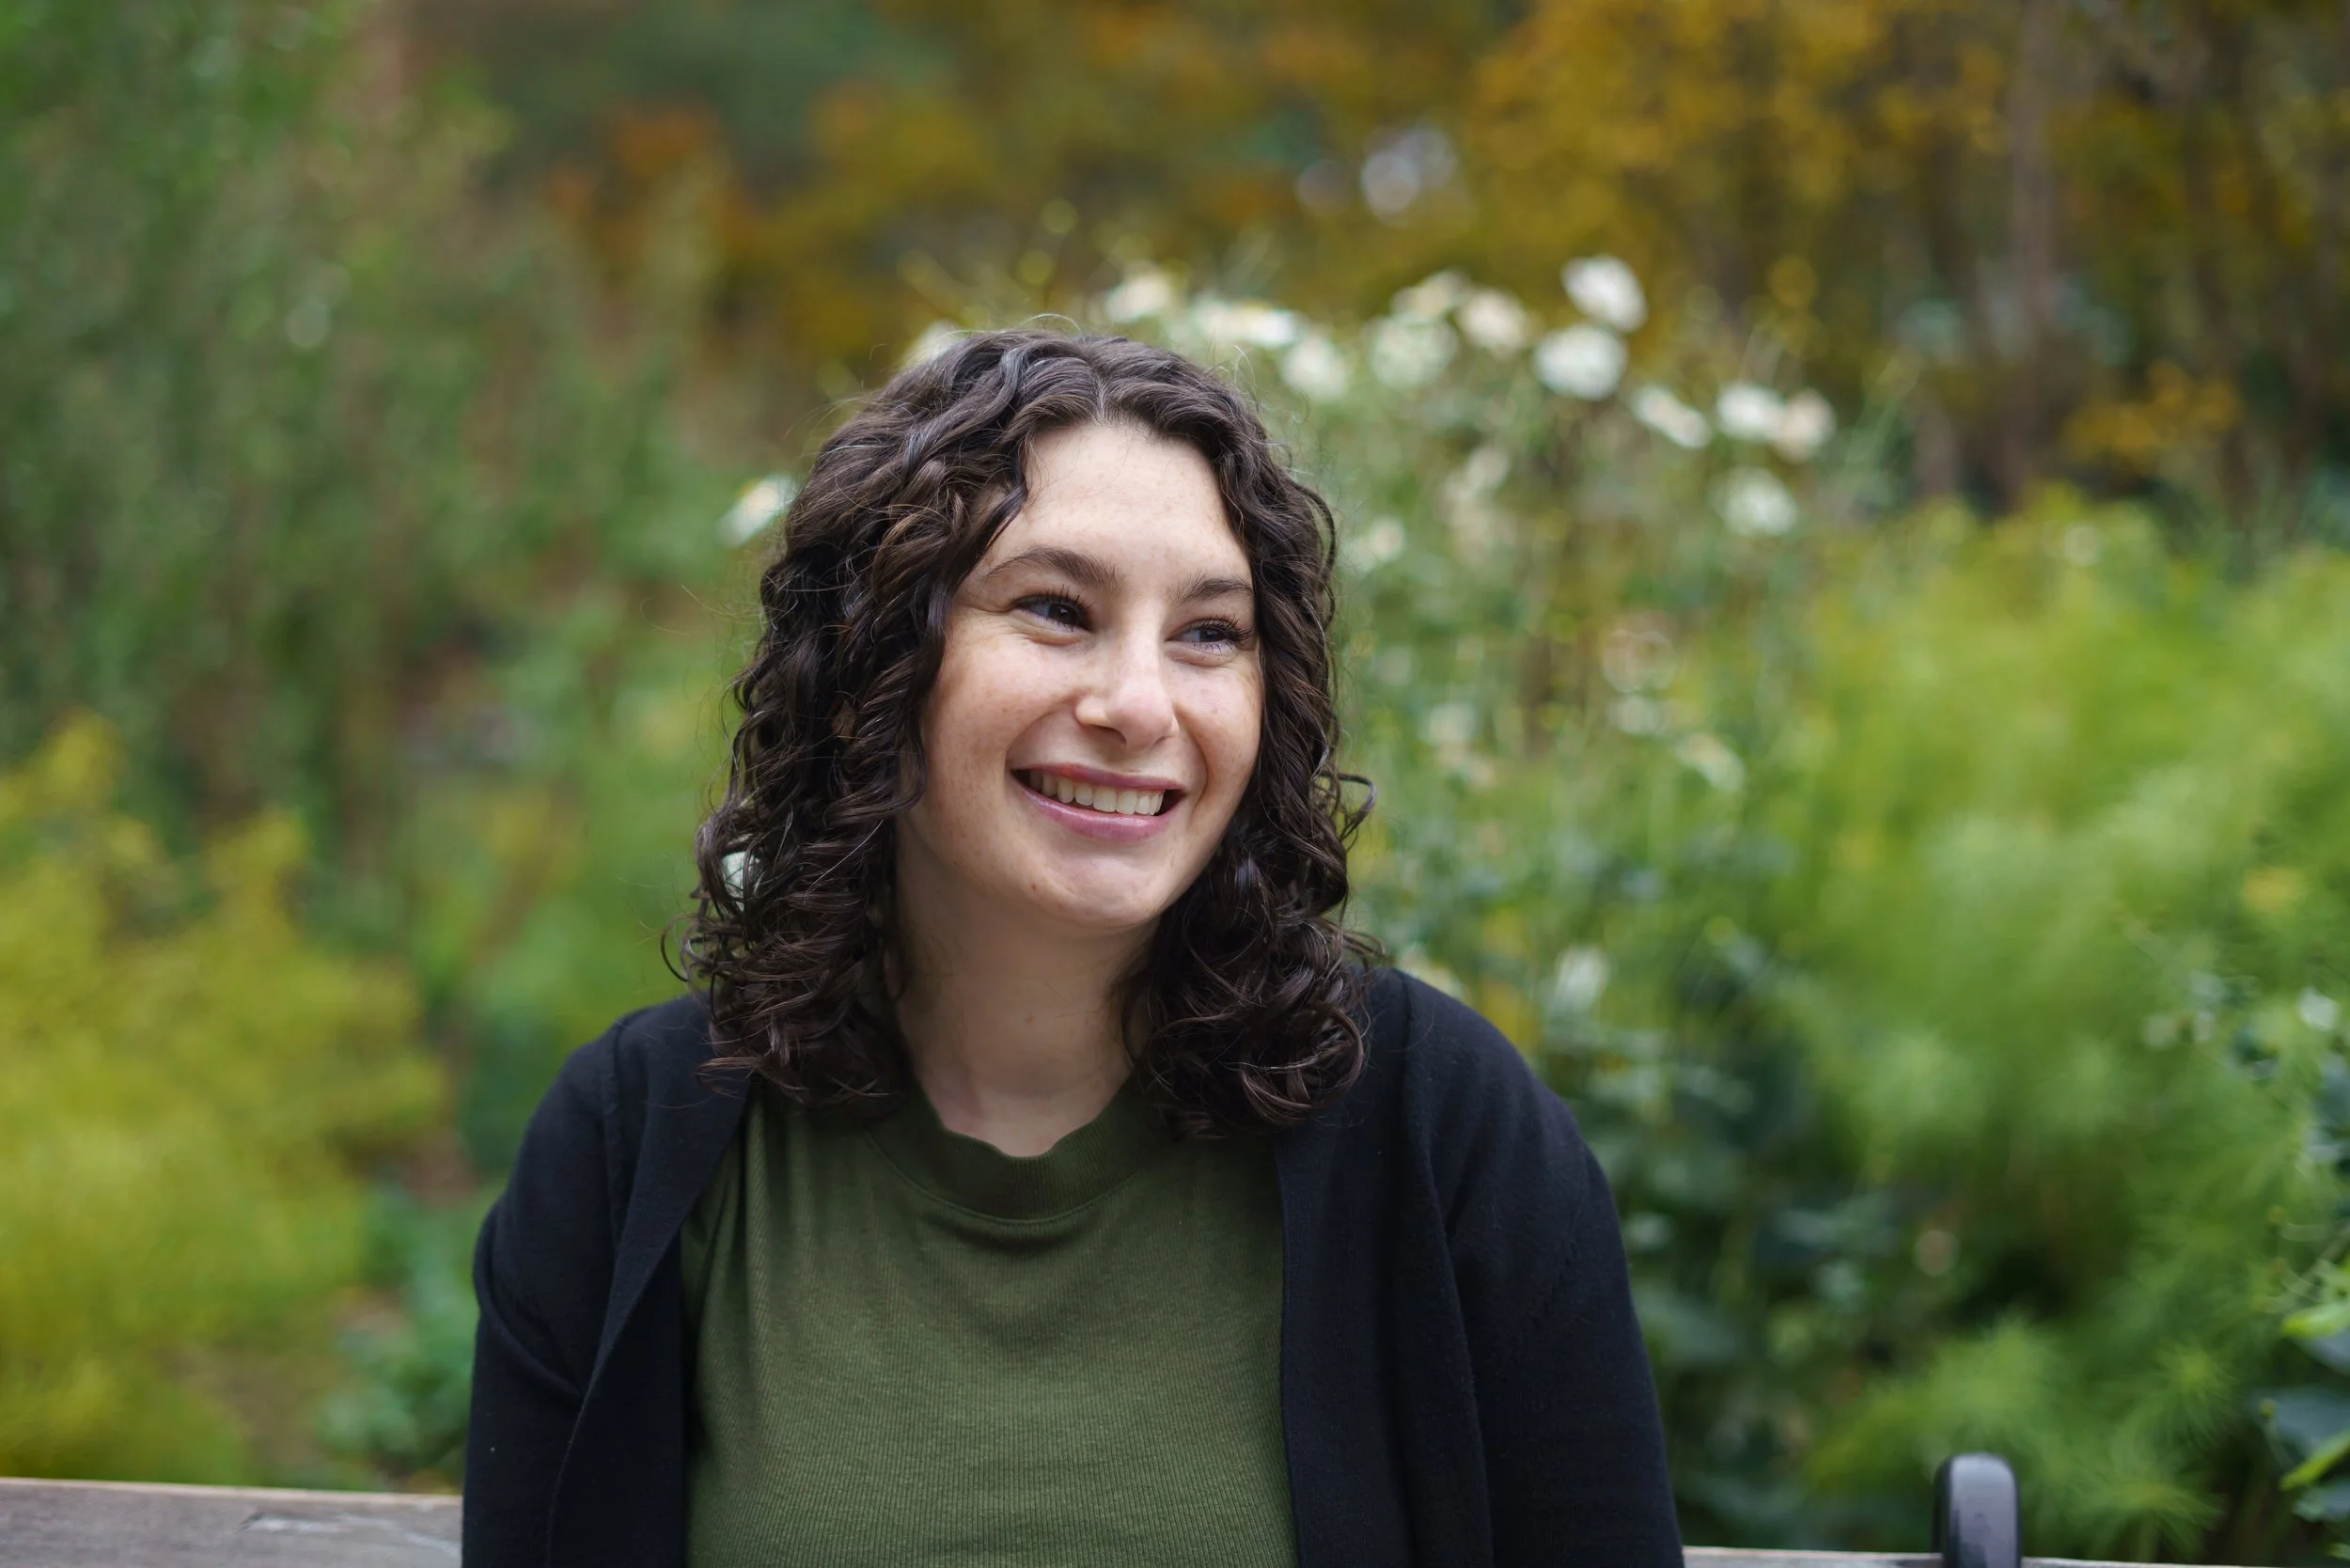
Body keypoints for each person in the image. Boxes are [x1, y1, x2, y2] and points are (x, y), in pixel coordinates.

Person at [462, 329, 1681, 1567]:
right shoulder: (632, 1148)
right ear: (865, 667)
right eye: (1056, 610)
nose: (1140, 705)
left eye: (1209, 633)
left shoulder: (1446, 1128)